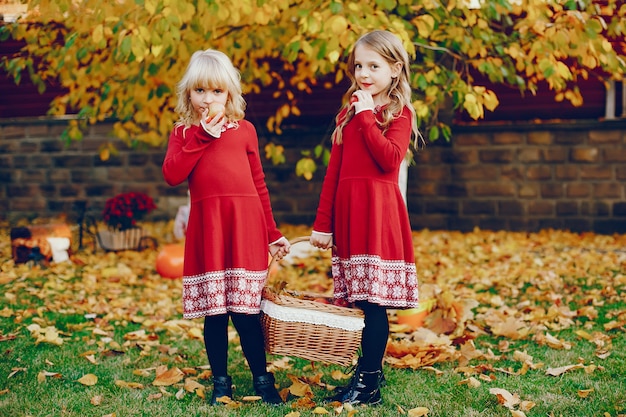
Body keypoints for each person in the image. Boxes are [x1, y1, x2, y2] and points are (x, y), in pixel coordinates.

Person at [162, 48, 290, 406]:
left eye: (217, 91)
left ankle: (262, 380)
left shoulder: (245, 131)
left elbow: (259, 184)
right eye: (200, 91)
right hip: (210, 230)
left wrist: (272, 232)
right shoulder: (184, 133)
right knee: (215, 313)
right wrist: (201, 135)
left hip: (244, 226)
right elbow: (172, 174)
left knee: (246, 313)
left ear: (230, 94)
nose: (208, 99)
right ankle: (221, 381)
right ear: (188, 93)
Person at [309, 30, 421, 406]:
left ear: (395, 68)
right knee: (358, 299)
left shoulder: (398, 113)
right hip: (349, 211)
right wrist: (323, 224)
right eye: (359, 65)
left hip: (378, 213)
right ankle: (367, 370)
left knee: (374, 301)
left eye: (374, 66)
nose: (364, 73)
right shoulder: (348, 112)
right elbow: (333, 172)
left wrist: (367, 116)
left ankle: (369, 383)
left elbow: (389, 159)